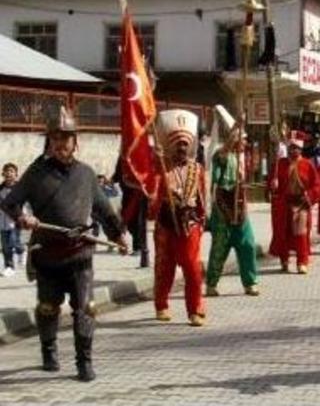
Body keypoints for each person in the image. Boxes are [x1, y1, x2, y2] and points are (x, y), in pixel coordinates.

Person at [1, 106, 129, 381]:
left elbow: (105, 210)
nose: (61, 144)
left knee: (86, 308)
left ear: (75, 142)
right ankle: (49, 350)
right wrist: (23, 217)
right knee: (48, 308)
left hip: (80, 253)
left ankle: (84, 361)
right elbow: (10, 202)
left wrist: (118, 235)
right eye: (56, 138)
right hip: (47, 254)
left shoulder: (85, 174)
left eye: (66, 138)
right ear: (49, 141)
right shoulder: (35, 173)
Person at [151, 109, 209, 327]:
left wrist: (202, 220)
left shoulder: (198, 169)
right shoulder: (162, 168)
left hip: (190, 225)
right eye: (178, 144)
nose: (182, 148)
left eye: (185, 144)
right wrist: (156, 163)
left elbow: (203, 197)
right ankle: (161, 304)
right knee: (164, 268)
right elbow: (151, 191)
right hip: (166, 224)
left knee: (193, 269)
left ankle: (195, 309)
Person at [206, 120, 260, 297]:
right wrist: (235, 131)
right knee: (220, 248)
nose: (246, 143)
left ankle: (250, 283)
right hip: (223, 207)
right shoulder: (222, 154)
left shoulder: (242, 157)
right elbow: (222, 156)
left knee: (248, 245)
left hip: (240, 207)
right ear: (235, 140)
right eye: (243, 140)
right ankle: (211, 284)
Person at [270, 131, 320, 274]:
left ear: (300, 149)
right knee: (283, 233)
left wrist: (310, 196)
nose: (293, 150)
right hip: (284, 203)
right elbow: (271, 184)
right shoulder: (280, 164)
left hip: (301, 204)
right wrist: (272, 184)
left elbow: (317, 185)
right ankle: (284, 260)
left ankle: (302, 262)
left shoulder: (308, 165)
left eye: (296, 148)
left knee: (301, 234)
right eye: (291, 148)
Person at [1, 162, 27, 276]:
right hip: (2, 221)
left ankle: (22, 251)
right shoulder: (0, 189)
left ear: (16, 174)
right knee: (6, 246)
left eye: (11, 171)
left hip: (15, 220)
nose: (9, 173)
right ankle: (9, 267)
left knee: (13, 242)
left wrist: (25, 215)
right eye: (7, 171)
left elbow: (25, 203)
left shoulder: (20, 188)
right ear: (3, 174)